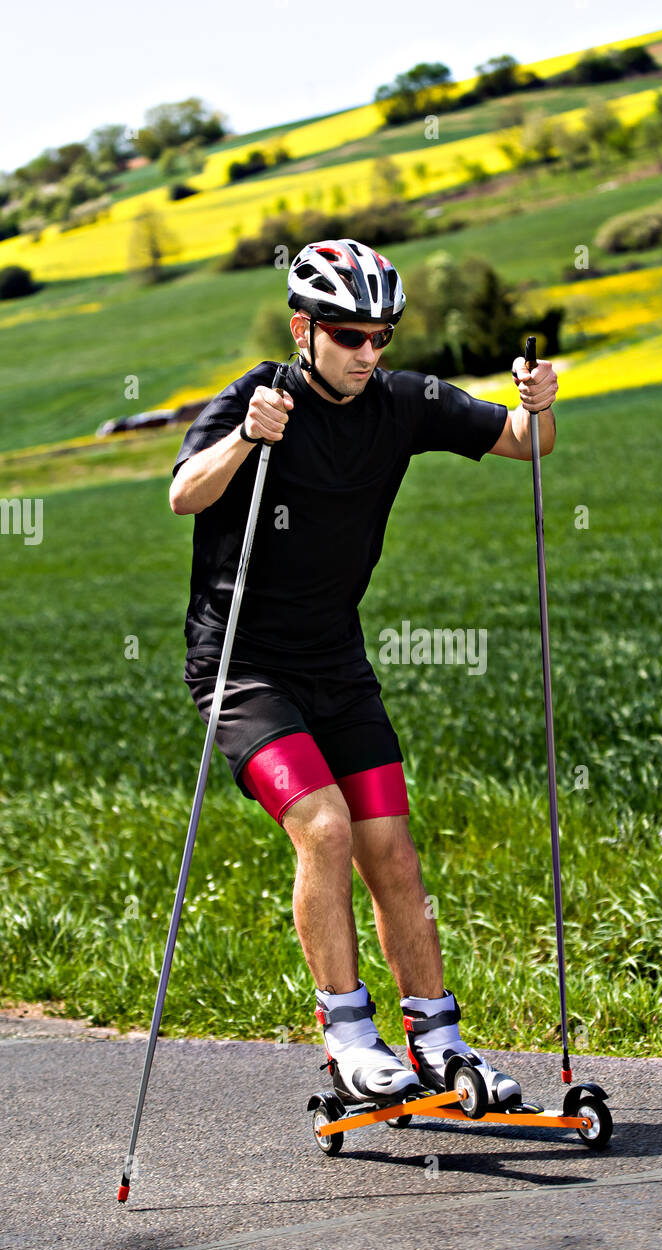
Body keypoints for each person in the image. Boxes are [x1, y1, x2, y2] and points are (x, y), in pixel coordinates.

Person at [169, 237, 558, 1111]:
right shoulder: (257, 399)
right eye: (350, 335)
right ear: (305, 330)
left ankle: (438, 1037)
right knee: (326, 826)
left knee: (391, 843)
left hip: (337, 662)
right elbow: (185, 493)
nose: (368, 352)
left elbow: (524, 443)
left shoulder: (404, 401)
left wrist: (539, 405)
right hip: (243, 668)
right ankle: (348, 1036)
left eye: (382, 335)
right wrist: (244, 438)